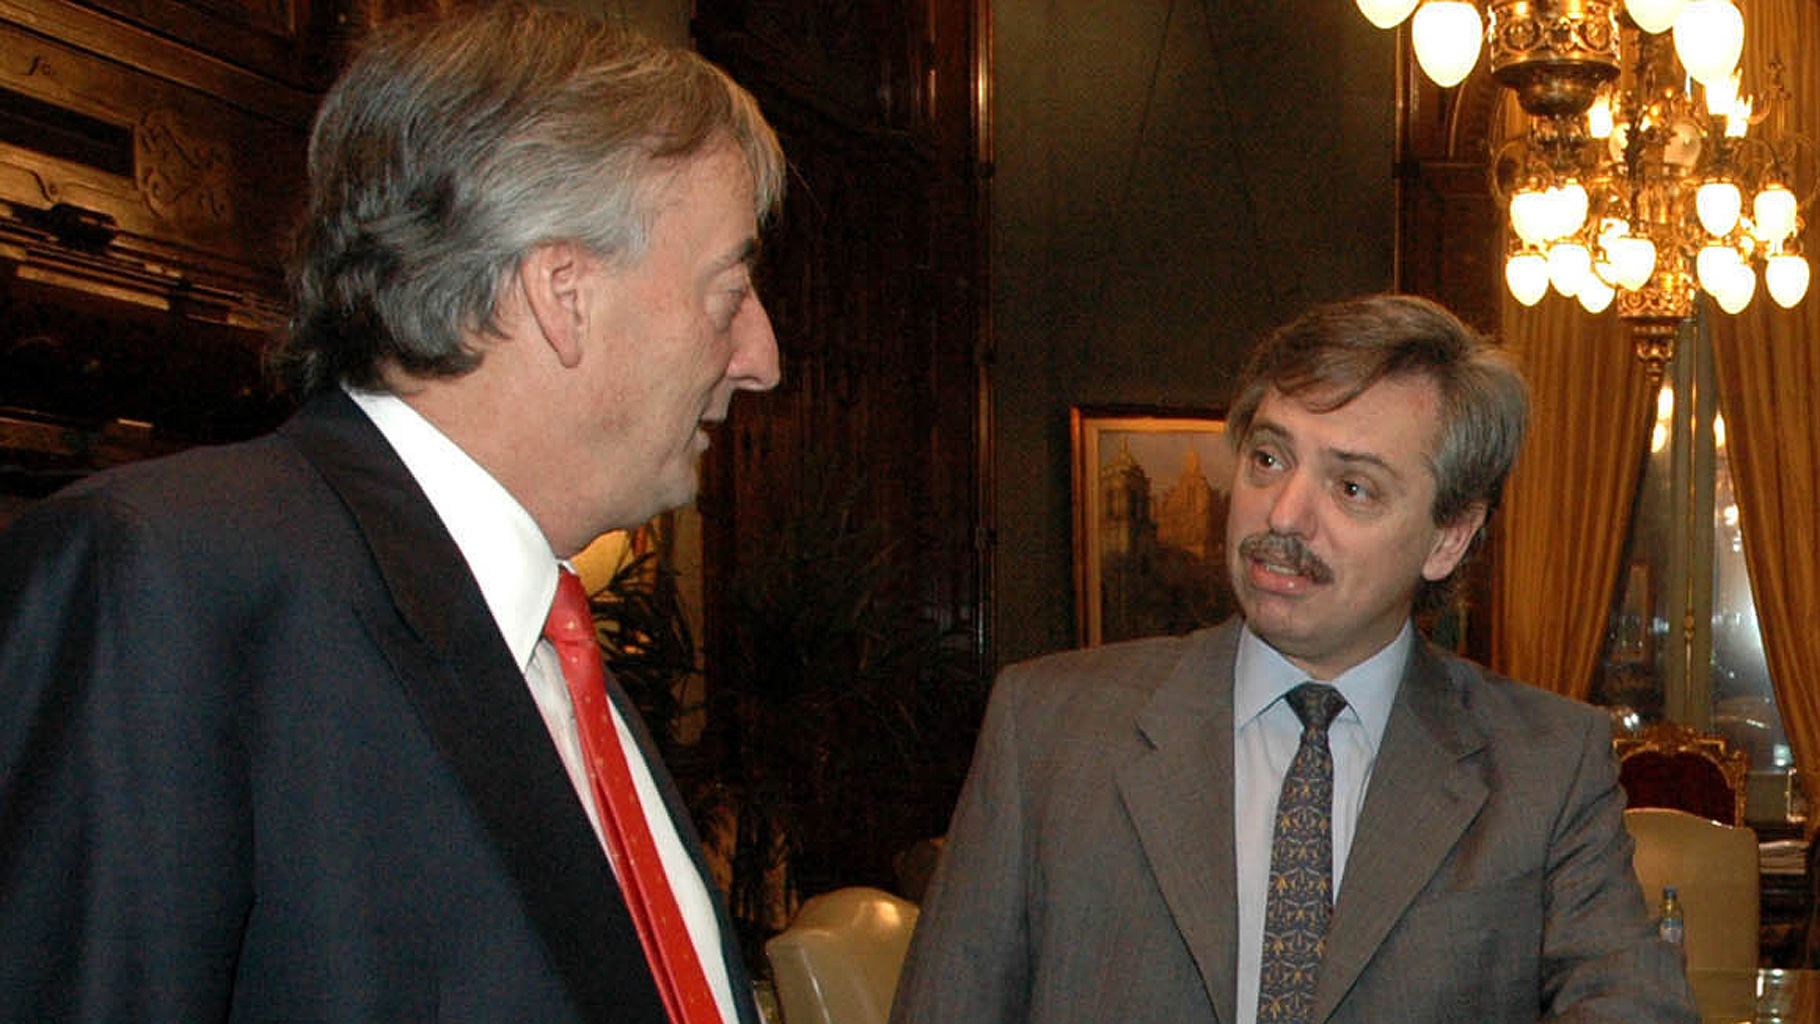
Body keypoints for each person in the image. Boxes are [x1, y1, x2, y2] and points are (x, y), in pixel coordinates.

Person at [0, 6, 783, 1022]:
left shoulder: (555, 652)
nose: (760, 358)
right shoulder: (166, 582)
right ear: (563, 293)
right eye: (729, 291)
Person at [890, 294, 1698, 1024]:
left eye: (1353, 489)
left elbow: (1634, 1006)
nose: (1283, 514)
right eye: (1270, 459)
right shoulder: (1049, 727)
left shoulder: (1545, 764)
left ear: (1448, 538)